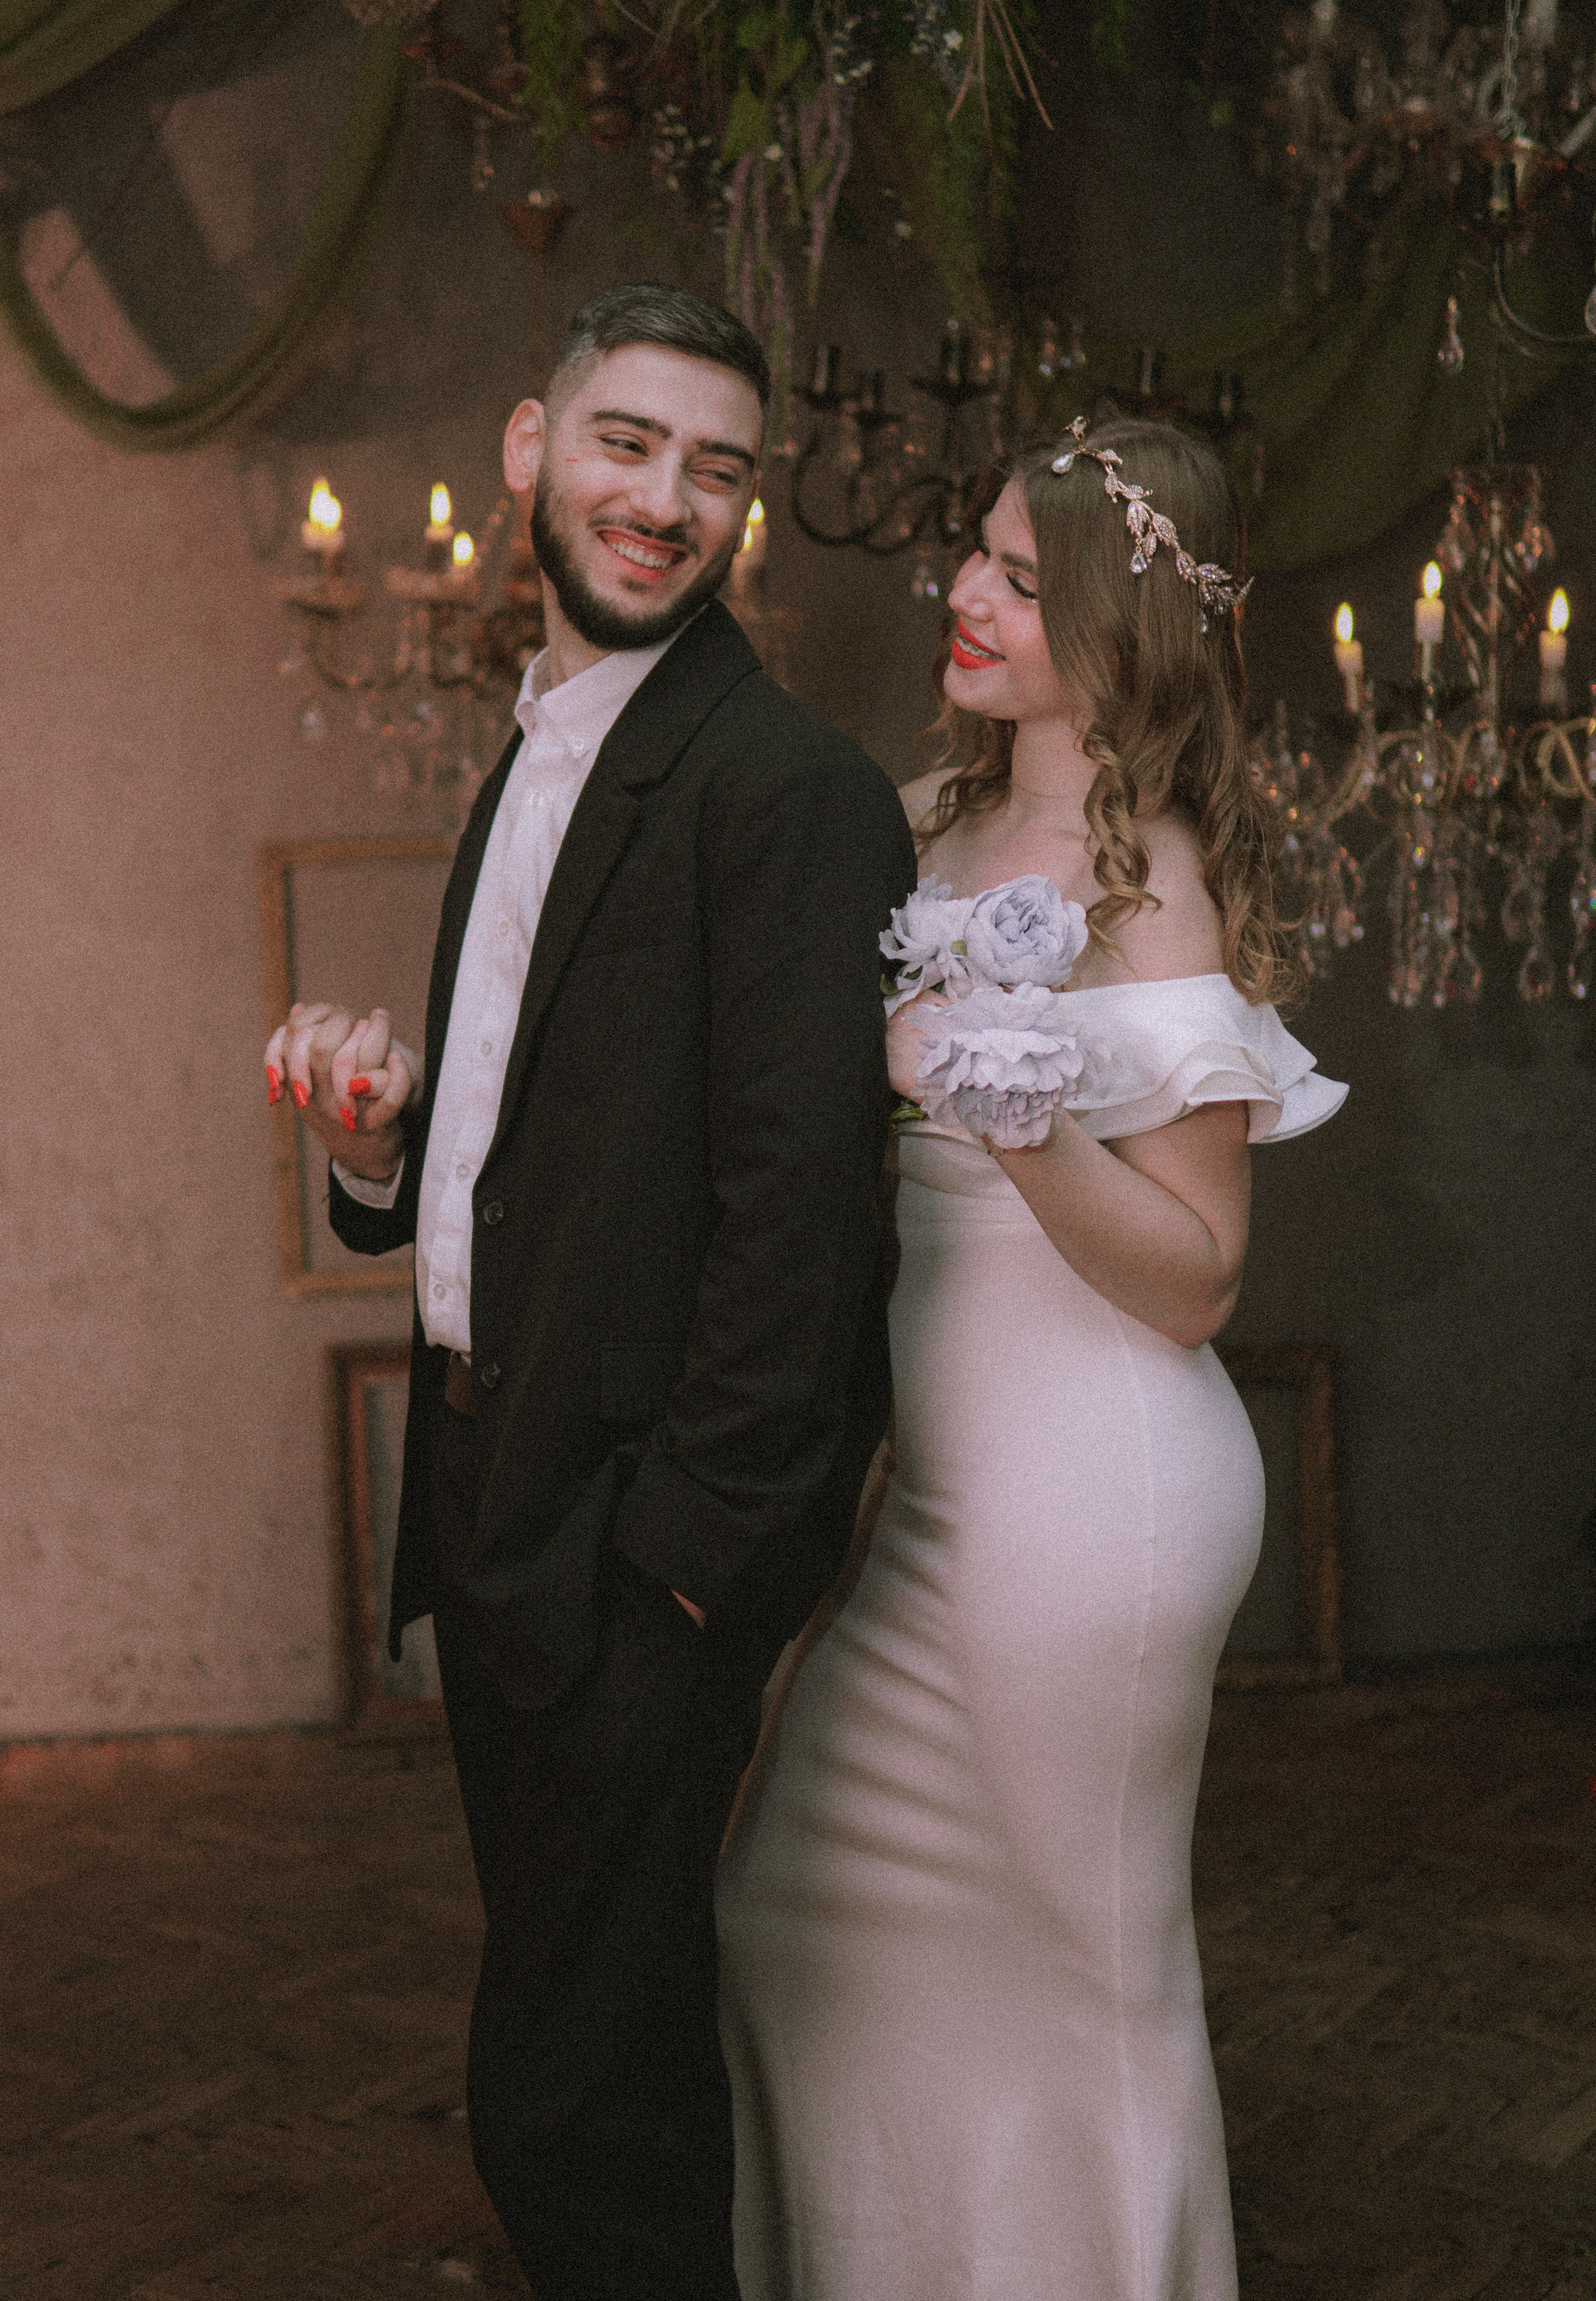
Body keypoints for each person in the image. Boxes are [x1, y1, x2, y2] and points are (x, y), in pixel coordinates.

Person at [264, 283, 917, 2301]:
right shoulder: (544, 751)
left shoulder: (789, 790)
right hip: (499, 1499)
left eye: (716, 469)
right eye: (628, 444)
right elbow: (555, 1151)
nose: (666, 499)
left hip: (638, 1549)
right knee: (586, 2058)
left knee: (579, 2101)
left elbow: (803, 1228)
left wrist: (684, 1577)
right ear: (530, 449)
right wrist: (378, 1152)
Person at [716, 417, 1347, 2301]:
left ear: (1117, 619)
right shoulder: (921, 818)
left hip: (1099, 1497)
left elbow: (1200, 1278)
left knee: (1087, 1985)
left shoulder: (1156, 878)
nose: (968, 595)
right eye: (976, 555)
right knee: (788, 1914)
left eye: (1018, 574)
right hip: (940, 1488)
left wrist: (1022, 1128)